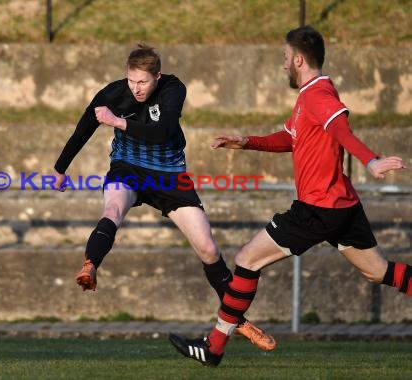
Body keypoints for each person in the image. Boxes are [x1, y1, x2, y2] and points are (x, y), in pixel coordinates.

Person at [169, 25, 410, 367]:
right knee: (379, 272)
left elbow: (341, 128)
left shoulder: (318, 96)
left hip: (316, 209)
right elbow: (289, 137)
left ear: (298, 59)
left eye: (285, 58)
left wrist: (370, 160)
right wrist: (247, 141)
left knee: (247, 259)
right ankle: (216, 345)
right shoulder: (310, 96)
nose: (283, 65)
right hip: (342, 205)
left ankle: (214, 346)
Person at [52, 44, 276, 351]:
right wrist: (60, 168)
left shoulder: (173, 89)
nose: (136, 88)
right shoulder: (114, 93)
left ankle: (238, 322)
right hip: (127, 166)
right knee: (113, 210)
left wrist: (117, 122)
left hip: (169, 175)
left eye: (142, 82)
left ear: (157, 76)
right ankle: (90, 265)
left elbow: (161, 131)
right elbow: (84, 127)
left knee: (209, 249)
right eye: (131, 81)